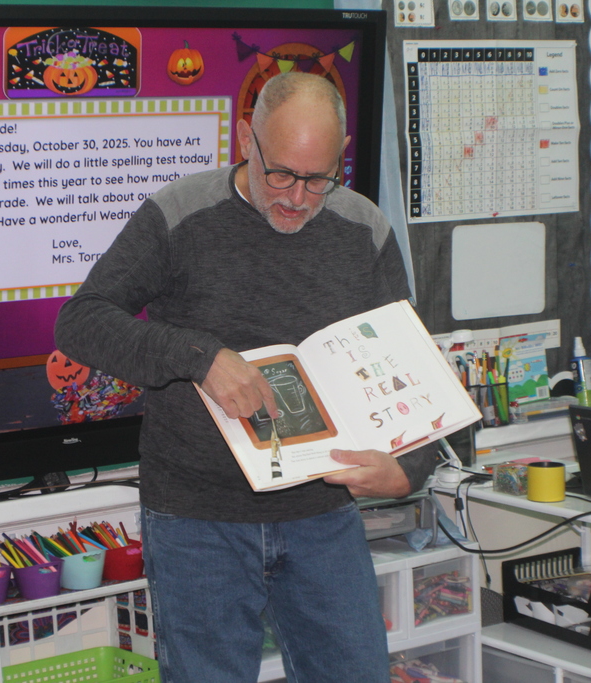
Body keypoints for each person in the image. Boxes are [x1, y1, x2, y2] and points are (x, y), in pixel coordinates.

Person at [54, 72, 439, 683]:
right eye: (281, 173)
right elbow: (80, 323)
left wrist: (410, 468)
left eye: (318, 179)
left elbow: (410, 368)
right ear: (245, 139)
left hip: (323, 514)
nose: (296, 198)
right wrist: (198, 356)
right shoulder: (180, 213)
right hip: (195, 520)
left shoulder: (363, 227)